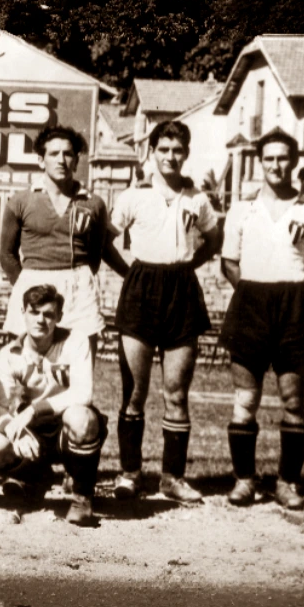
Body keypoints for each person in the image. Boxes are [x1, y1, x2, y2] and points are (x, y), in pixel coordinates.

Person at [110, 120, 221, 503]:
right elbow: (105, 239)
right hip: (141, 287)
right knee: (134, 392)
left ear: (186, 153)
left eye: (177, 150)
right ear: (152, 152)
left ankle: (172, 477)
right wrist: (130, 271)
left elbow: (214, 239)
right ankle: (129, 474)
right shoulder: (133, 196)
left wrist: (190, 265)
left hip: (182, 288)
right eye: (164, 149)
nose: (171, 157)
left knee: (176, 393)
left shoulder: (198, 198)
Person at [220, 130, 304, 510]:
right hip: (250, 305)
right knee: (245, 400)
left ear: (293, 161)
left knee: (294, 401)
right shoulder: (242, 209)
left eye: (283, 158)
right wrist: (253, 295)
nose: (276, 165)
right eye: (269, 159)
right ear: (260, 162)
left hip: (294, 307)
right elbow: (229, 262)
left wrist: (292, 297)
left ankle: (287, 482)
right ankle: (244, 481)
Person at [0, 285, 106, 526]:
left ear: (59, 317)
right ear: (23, 313)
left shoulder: (76, 340)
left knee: (81, 418)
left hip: (66, 425)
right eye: (34, 312)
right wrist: (13, 430)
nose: (41, 320)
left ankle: (82, 496)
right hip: (34, 430)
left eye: (49, 314)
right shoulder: (9, 353)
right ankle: (36, 479)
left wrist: (33, 409)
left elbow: (84, 394)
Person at [0, 125, 128, 344]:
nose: (61, 160)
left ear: (77, 161)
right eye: (53, 154)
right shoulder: (21, 201)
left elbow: (96, 254)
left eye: (68, 154)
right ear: (41, 160)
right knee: (27, 362)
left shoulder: (94, 203)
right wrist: (26, 286)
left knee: (81, 359)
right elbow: (6, 255)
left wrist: (79, 277)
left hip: (78, 286)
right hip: (33, 281)